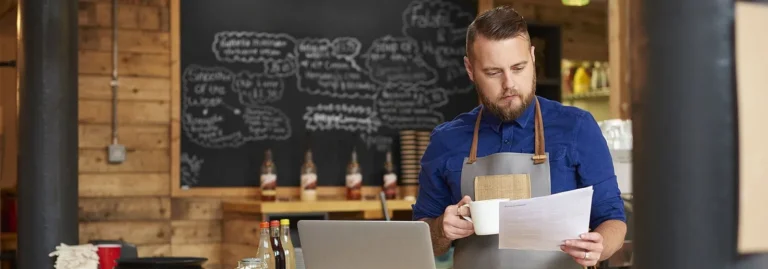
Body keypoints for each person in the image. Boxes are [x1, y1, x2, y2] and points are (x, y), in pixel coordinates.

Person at [412, 6, 627, 269]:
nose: (509, 84)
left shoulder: (577, 128)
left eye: (518, 67)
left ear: (532, 57)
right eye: (493, 72)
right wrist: (440, 229)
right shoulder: (446, 141)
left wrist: (600, 245)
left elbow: (613, 219)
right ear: (470, 69)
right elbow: (422, 240)